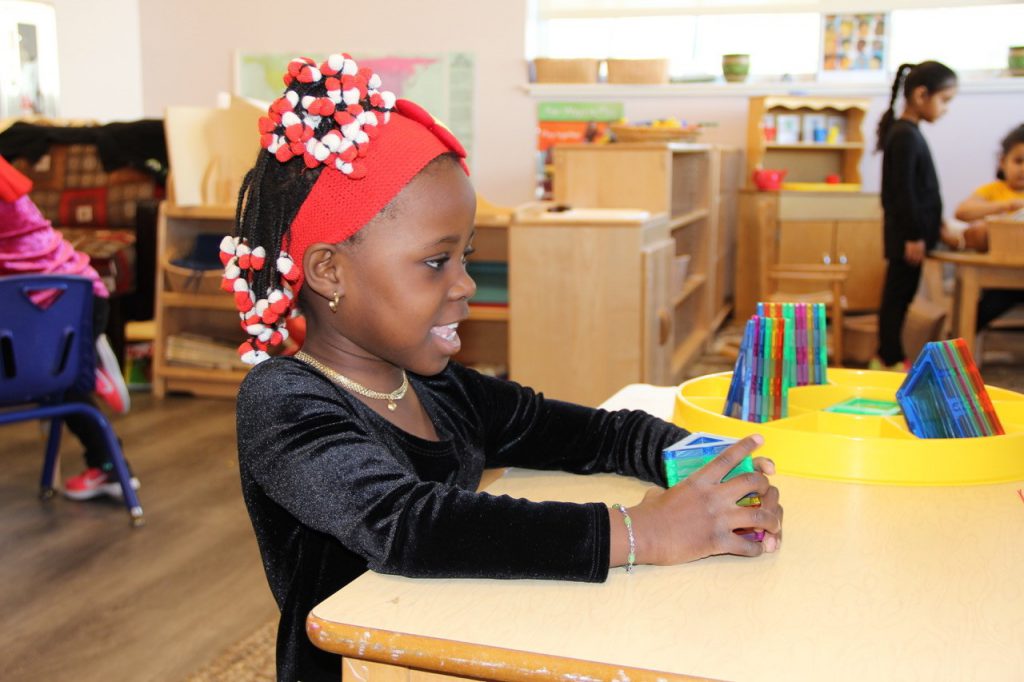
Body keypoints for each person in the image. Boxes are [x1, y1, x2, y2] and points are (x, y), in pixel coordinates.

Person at [231, 53, 783, 682]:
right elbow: (408, 526)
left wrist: (707, 467)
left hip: (461, 647)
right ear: (329, 272)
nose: (465, 283)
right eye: (436, 262)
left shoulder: (439, 389)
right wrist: (643, 533)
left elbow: (597, 434)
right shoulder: (282, 401)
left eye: (465, 256)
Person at [0, 154, 138, 500]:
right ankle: (87, 369)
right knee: (60, 387)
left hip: (49, 311)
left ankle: (85, 370)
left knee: (56, 385)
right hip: (82, 298)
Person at [872, 61, 958, 371]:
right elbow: (903, 191)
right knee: (897, 297)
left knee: (902, 295)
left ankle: (889, 355)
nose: (945, 109)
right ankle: (888, 357)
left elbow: (921, 189)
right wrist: (913, 235)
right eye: (944, 100)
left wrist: (938, 223)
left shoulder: (909, 133)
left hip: (912, 235)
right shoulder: (904, 135)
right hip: (907, 238)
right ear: (921, 95)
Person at [951, 123, 1024, 333]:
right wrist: (1006, 206)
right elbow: (962, 211)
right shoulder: (993, 191)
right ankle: (957, 338)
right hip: (999, 275)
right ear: (1002, 161)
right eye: (1018, 161)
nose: (1023, 168)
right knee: (978, 314)